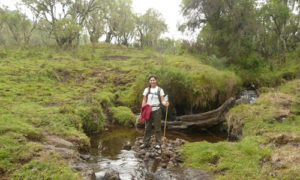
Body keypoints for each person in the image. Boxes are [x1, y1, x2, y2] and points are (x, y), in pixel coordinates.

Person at [140, 74, 169, 149]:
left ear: (156, 81)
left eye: (153, 80)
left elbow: (162, 100)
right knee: (147, 127)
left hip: (157, 110)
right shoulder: (146, 90)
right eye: (151, 80)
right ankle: (145, 143)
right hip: (148, 110)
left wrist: (165, 104)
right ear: (149, 81)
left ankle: (158, 143)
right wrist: (142, 108)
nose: (152, 81)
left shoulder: (160, 90)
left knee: (157, 128)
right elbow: (144, 100)